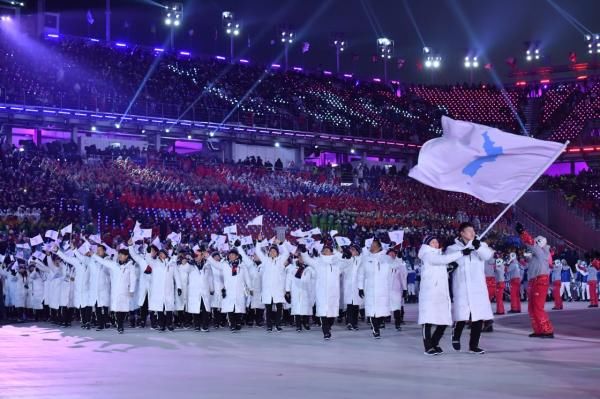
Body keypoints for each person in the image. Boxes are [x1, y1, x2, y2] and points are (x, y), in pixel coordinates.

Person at [448, 222, 495, 355]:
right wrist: (462, 253)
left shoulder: (481, 245)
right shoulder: (453, 248)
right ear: (462, 233)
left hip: (477, 286)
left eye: (473, 231)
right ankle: (456, 335)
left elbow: (487, 256)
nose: (472, 233)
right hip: (462, 286)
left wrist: (478, 247)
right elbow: (450, 260)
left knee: (478, 316)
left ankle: (473, 345)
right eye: (469, 231)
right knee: (462, 315)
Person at [417, 235, 465, 356]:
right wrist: (461, 252)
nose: (436, 244)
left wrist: (449, 268)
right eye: (433, 242)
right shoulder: (427, 255)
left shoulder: (439, 256)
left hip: (441, 293)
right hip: (429, 293)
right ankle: (428, 347)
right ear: (427, 244)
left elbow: (442, 267)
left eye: (437, 241)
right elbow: (441, 261)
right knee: (427, 320)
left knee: (443, 320)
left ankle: (435, 342)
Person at [300, 243, 348, 340]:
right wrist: (304, 252)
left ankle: (328, 326)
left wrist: (348, 256)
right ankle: (325, 332)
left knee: (331, 314)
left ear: (331, 252)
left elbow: (346, 263)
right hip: (321, 292)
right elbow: (307, 260)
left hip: (333, 293)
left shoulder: (337, 264)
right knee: (322, 312)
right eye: (324, 249)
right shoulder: (318, 263)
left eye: (328, 249)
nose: (326, 251)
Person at [516, 223, 554, 338]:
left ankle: (547, 330)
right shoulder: (538, 255)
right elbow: (529, 262)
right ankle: (538, 330)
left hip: (540, 281)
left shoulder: (541, 252)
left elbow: (531, 243)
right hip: (534, 281)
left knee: (537, 307)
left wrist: (522, 233)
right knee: (531, 308)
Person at [358, 239, 397, 339]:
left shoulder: (386, 258)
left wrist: (399, 257)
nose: (372, 246)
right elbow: (361, 273)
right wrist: (360, 288)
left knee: (382, 311)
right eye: (371, 245)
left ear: (379, 247)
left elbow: (396, 265)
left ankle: (379, 324)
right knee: (371, 310)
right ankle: (375, 330)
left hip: (382, 288)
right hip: (370, 288)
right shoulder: (366, 258)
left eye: (374, 245)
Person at [206, 246, 251, 332]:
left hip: (239, 290)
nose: (231, 256)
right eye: (230, 255)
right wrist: (208, 257)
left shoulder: (242, 266)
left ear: (237, 256)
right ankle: (232, 324)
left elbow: (247, 278)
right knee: (230, 308)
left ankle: (238, 322)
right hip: (228, 290)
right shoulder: (225, 265)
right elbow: (215, 264)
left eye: (233, 255)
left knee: (238, 308)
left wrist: (250, 287)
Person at [92, 249, 136, 334]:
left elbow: (133, 279)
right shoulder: (114, 265)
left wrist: (131, 290)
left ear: (126, 256)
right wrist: (93, 255)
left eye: (122, 254)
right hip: (115, 291)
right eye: (119, 254)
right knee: (117, 309)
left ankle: (120, 323)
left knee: (124, 309)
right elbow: (102, 261)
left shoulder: (130, 266)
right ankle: (119, 325)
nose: (120, 256)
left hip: (125, 291)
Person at [254, 238, 289, 332]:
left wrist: (281, 243)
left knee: (279, 309)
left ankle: (278, 325)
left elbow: (286, 253)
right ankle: (269, 325)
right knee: (268, 309)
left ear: (277, 253)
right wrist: (259, 242)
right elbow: (258, 251)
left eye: (274, 251)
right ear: (268, 253)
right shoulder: (265, 261)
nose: (272, 252)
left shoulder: (281, 261)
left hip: (278, 290)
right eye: (271, 251)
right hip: (267, 290)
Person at [285, 254, 314, 332]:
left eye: (304, 257)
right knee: (296, 308)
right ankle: (298, 325)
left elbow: (314, 279)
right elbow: (288, 279)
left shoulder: (310, 269)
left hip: (306, 291)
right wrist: (287, 290)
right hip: (296, 290)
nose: (302, 259)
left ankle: (306, 322)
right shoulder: (292, 268)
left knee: (306, 307)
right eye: (300, 257)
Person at [187, 248, 214, 331]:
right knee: (196, 308)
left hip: (204, 289)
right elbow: (184, 272)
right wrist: (188, 262)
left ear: (202, 255)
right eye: (195, 255)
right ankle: (197, 325)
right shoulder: (190, 265)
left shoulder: (207, 265)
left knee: (205, 308)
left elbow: (210, 277)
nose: (196, 256)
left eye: (198, 255)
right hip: (194, 290)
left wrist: (211, 288)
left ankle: (205, 325)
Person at [341, 244, 363, 331]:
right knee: (349, 305)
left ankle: (355, 322)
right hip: (349, 285)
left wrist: (361, 287)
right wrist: (344, 258)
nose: (351, 251)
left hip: (357, 286)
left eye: (353, 250)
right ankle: (349, 322)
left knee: (356, 306)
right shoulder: (348, 259)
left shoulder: (362, 260)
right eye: (351, 250)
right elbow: (342, 269)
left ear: (357, 251)